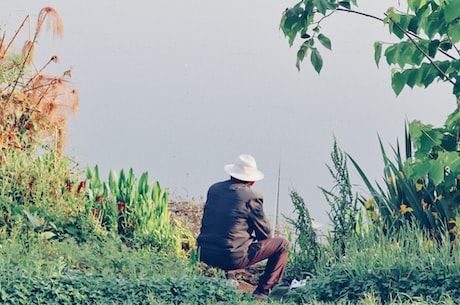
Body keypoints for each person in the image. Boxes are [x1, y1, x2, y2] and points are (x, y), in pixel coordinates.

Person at [197, 154, 290, 301]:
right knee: (282, 244)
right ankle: (263, 291)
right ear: (252, 181)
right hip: (229, 257)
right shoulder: (251, 197)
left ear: (231, 174)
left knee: (231, 235)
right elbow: (265, 235)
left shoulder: (214, 189)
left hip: (203, 253)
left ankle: (229, 274)